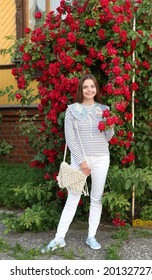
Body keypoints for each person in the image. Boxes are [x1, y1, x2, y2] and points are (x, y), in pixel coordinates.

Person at [41, 73, 114, 252]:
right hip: (79, 160)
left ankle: (91, 236)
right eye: (86, 87)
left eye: (92, 86)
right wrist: (81, 162)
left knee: (96, 198)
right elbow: (70, 138)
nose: (89, 90)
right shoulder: (72, 110)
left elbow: (108, 137)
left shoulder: (104, 109)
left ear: (96, 89)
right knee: (73, 198)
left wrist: (111, 126)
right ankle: (59, 238)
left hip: (101, 158)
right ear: (81, 90)